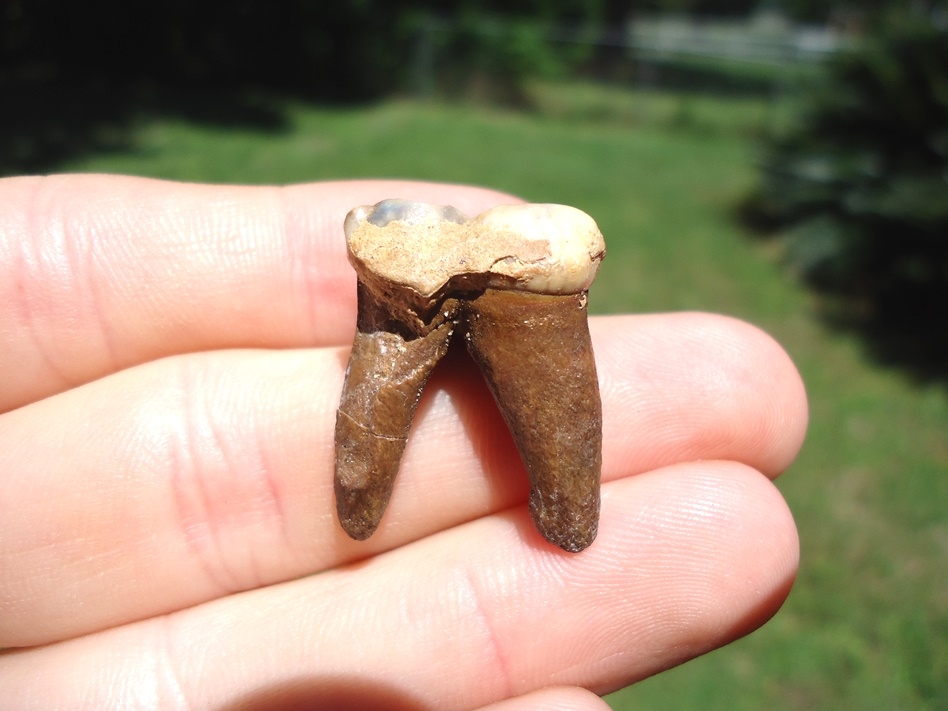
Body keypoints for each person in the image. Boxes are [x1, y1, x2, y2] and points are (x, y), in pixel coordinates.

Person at [0, 174, 807, 710]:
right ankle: (565, 512)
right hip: (413, 276)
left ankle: (568, 511)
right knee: (369, 474)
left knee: (548, 489)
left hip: (530, 280)